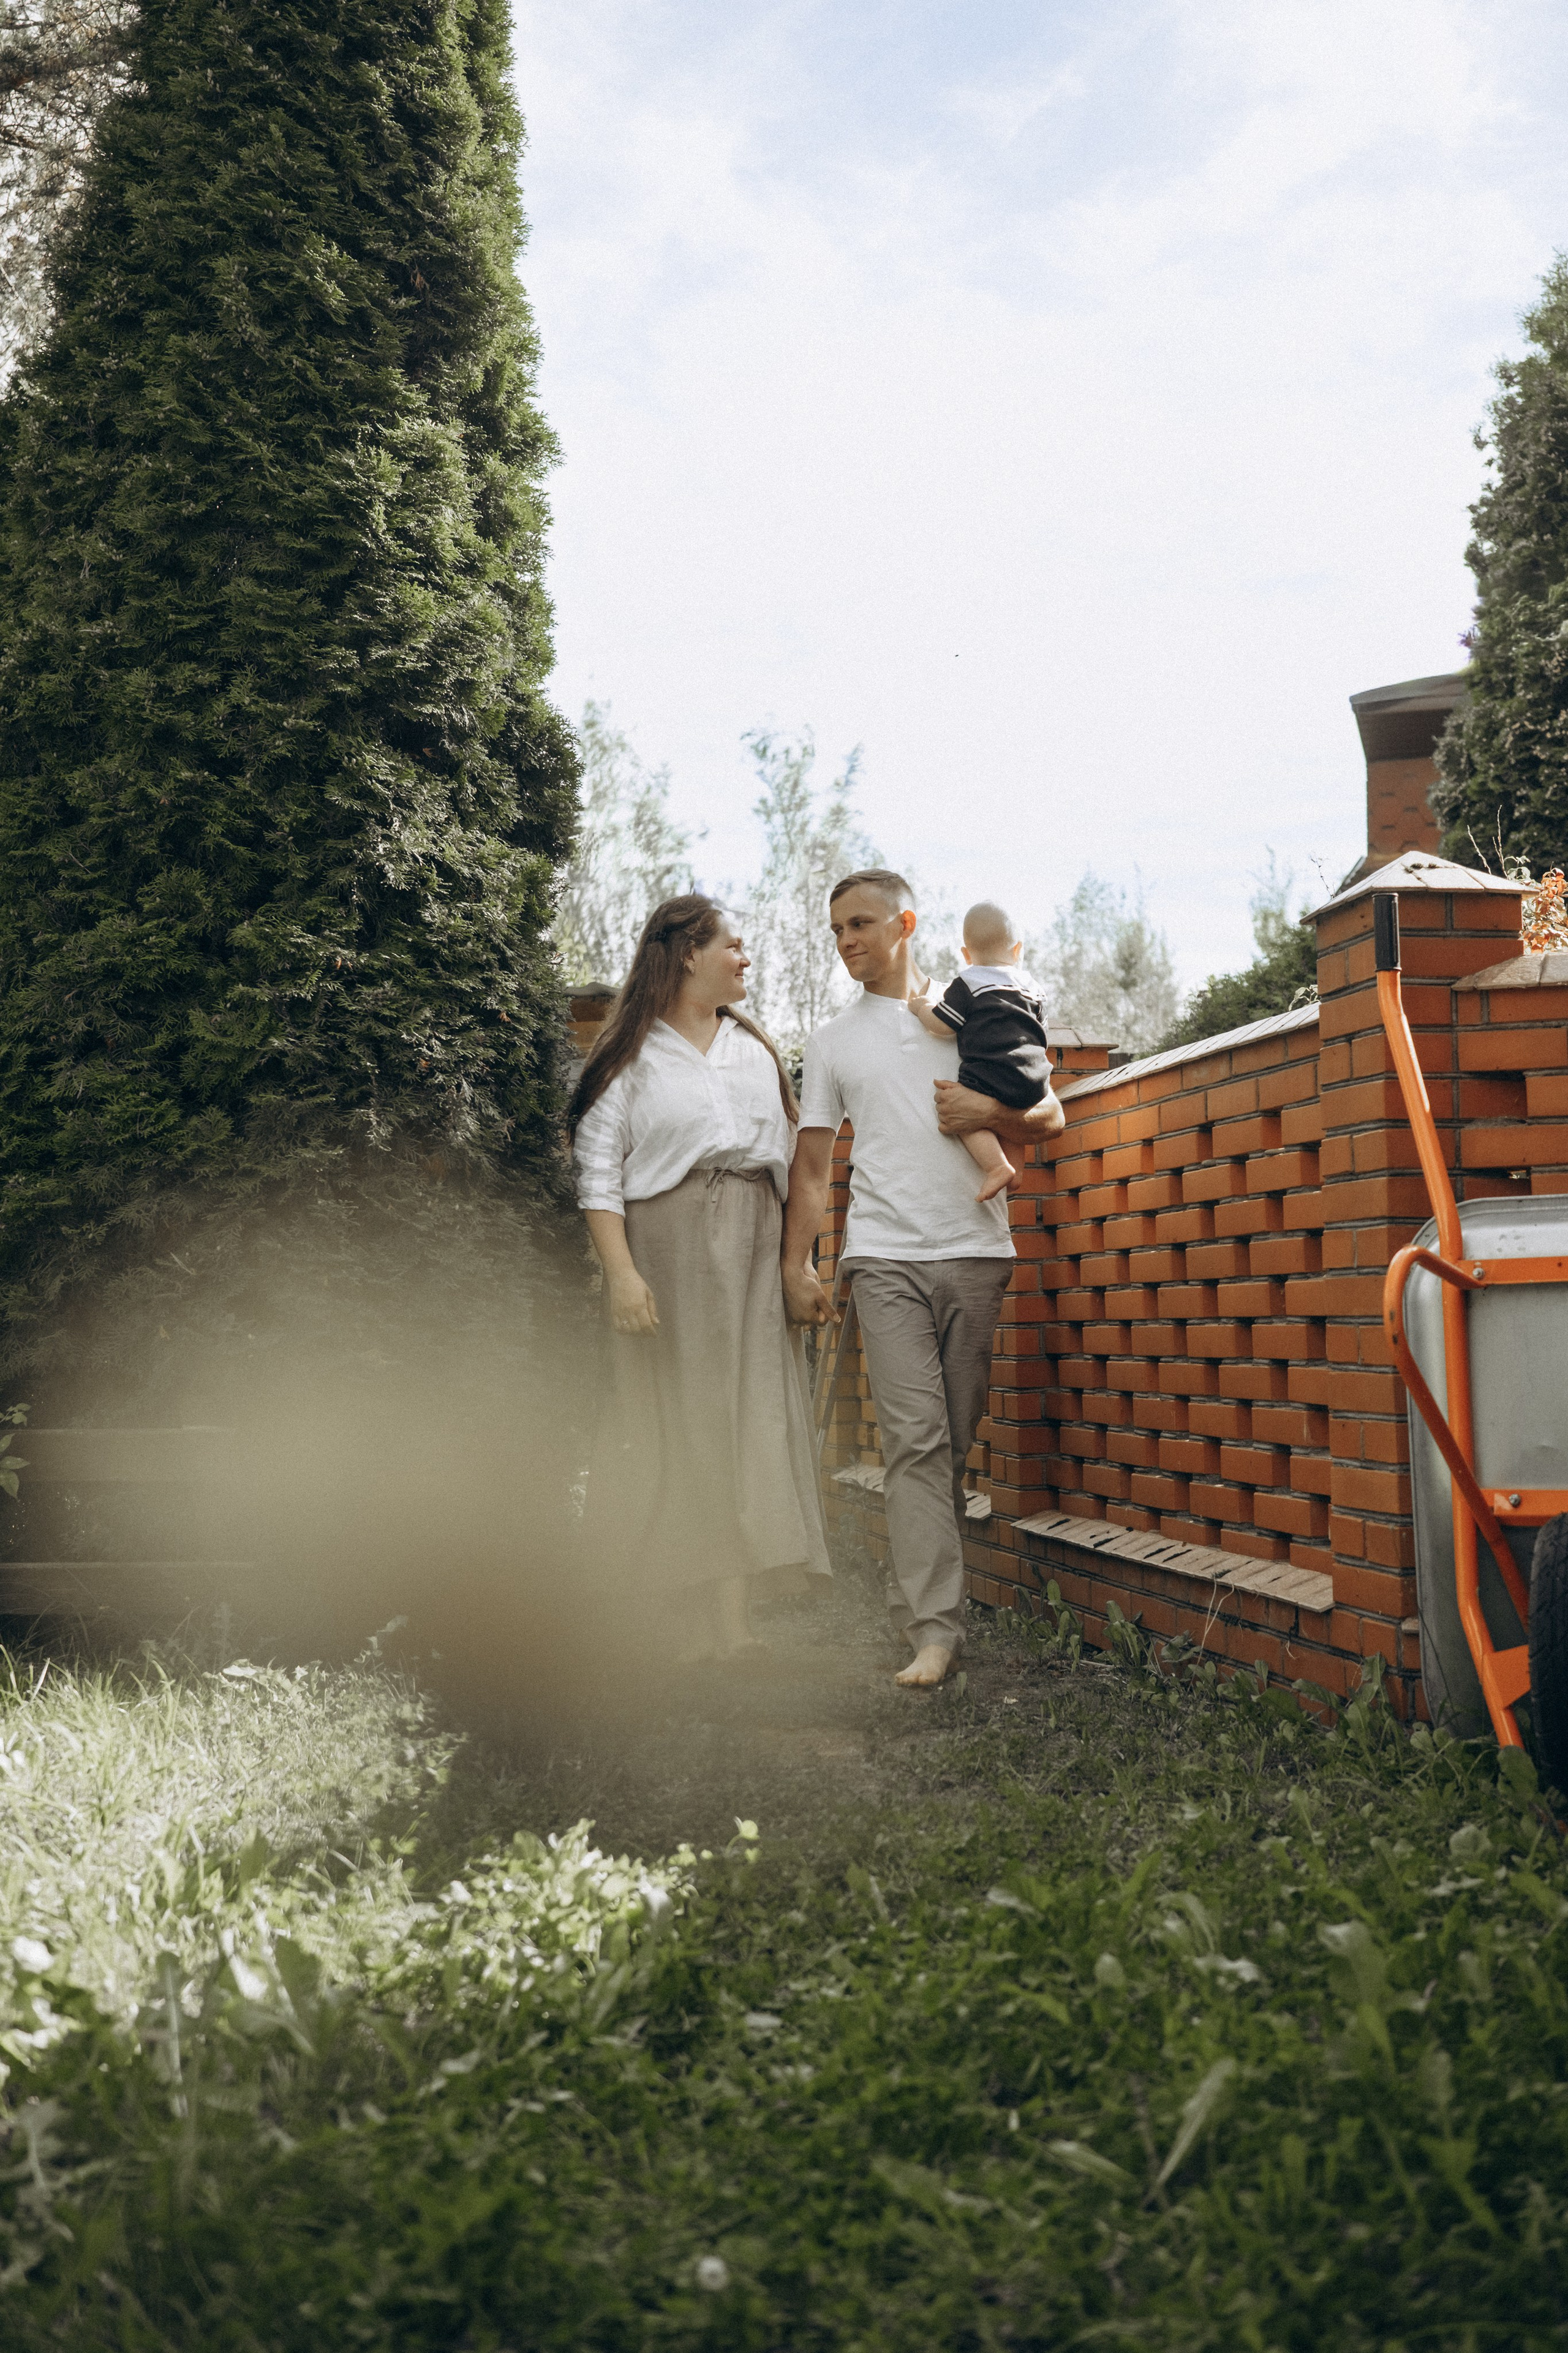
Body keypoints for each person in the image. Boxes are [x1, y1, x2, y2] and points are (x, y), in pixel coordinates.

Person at [781, 869, 1065, 1689]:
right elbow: (812, 1166)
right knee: (915, 1438)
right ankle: (935, 1629)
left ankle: (922, 1591)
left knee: (950, 1441)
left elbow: (1049, 1115)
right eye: (837, 929)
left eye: (861, 923)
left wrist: (988, 1115)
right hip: (882, 1255)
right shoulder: (833, 1041)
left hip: (975, 1249)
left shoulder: (972, 1010)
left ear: (905, 924)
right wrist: (798, 1261)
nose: (847, 941)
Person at [569, 894, 831, 1660]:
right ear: (688, 953)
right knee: (679, 1424)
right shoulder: (630, 1057)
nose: (746, 958)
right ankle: (680, 1620)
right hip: (667, 1247)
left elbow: (793, 1167)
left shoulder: (755, 1050)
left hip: (754, 1248)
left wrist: (797, 1265)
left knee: (751, 1422)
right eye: (733, 945)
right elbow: (598, 1176)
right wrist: (622, 1274)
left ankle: (734, 1623)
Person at [907, 901, 1049, 1201]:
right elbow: (1042, 1031)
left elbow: (943, 1025)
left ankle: (997, 1167)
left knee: (963, 1112)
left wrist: (923, 1008)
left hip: (989, 1072)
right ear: (1017, 950)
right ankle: (1016, 1172)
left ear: (967, 954)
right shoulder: (1032, 987)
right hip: (1033, 1077)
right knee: (1016, 1112)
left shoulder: (968, 983)